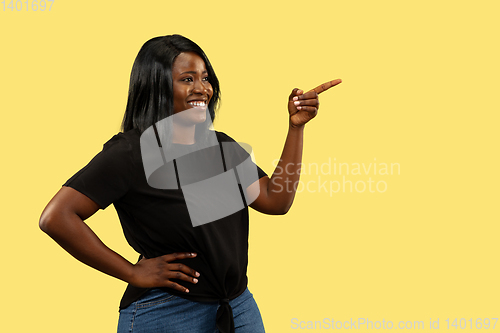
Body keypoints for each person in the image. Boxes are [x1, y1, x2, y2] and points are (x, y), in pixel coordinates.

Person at [39, 34, 340, 333]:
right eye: (187, 79)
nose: (202, 89)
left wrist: (296, 128)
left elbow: (276, 201)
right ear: (157, 86)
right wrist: (132, 272)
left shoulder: (222, 148)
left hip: (236, 306)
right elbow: (56, 217)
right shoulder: (131, 153)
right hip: (167, 311)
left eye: (205, 78)